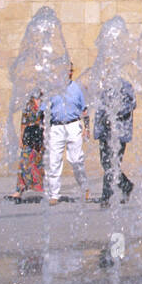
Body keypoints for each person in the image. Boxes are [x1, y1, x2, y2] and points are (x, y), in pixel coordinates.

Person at [44, 66, 90, 205]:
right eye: (65, 69)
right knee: (54, 161)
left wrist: (87, 128)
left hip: (73, 125)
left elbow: (85, 110)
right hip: (56, 127)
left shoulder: (77, 88)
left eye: (70, 70)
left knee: (76, 160)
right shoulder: (51, 89)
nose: (68, 72)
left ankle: (84, 186)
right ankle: (54, 194)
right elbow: (43, 110)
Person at [92, 76, 136, 208]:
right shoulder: (102, 86)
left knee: (112, 164)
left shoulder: (124, 85)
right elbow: (99, 109)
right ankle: (126, 185)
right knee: (106, 163)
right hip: (104, 132)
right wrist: (98, 130)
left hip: (118, 131)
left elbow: (132, 103)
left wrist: (115, 113)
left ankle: (106, 197)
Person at [7, 91, 46, 202]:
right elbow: (23, 123)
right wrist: (21, 138)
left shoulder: (45, 105)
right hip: (29, 137)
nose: (38, 98)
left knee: (39, 163)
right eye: (36, 96)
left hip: (40, 139)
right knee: (23, 163)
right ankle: (19, 189)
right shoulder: (28, 108)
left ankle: (41, 189)